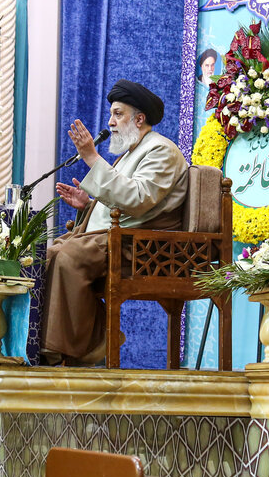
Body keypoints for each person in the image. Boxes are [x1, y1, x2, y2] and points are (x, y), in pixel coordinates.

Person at [43, 79, 190, 365]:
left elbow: (137, 199)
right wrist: (88, 205)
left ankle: (62, 351)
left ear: (139, 119)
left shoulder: (161, 150)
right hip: (112, 239)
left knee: (68, 257)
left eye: (118, 114)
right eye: (111, 114)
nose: (110, 122)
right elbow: (120, 203)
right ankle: (93, 340)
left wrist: (91, 157)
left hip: (141, 247)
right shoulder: (131, 153)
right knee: (47, 256)